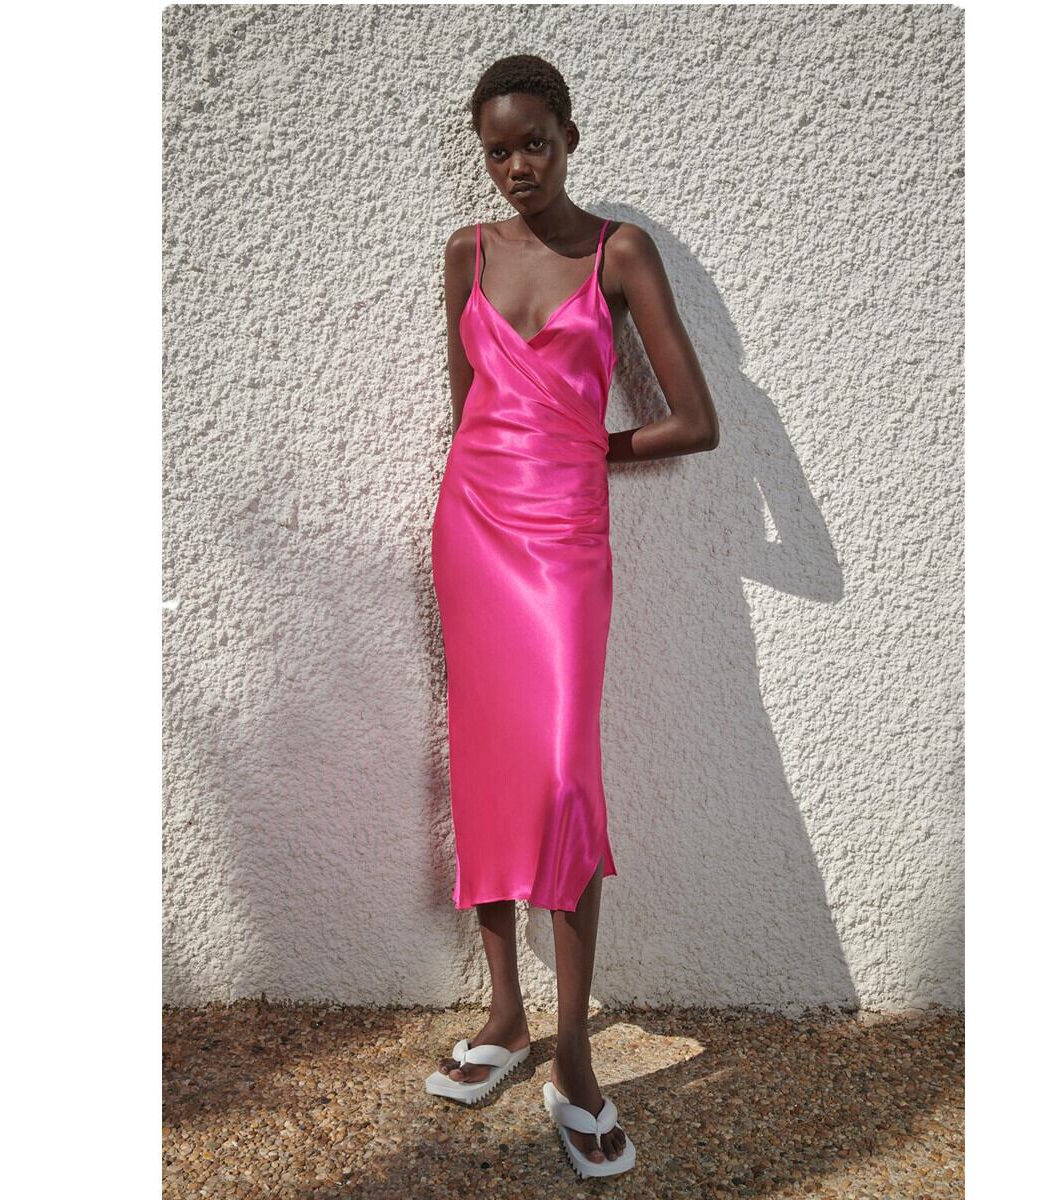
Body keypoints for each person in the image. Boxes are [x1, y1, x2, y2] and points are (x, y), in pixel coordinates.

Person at [427, 53, 718, 1178]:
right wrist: (496, 470)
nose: (517, 167)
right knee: (484, 765)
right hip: (473, 531)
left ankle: (576, 1061)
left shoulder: (619, 253)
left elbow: (694, 421)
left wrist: (582, 448)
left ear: (570, 138)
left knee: (559, 777)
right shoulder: (465, 252)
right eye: (498, 150)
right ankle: (505, 1016)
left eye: (535, 143)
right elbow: (469, 412)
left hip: (562, 545)